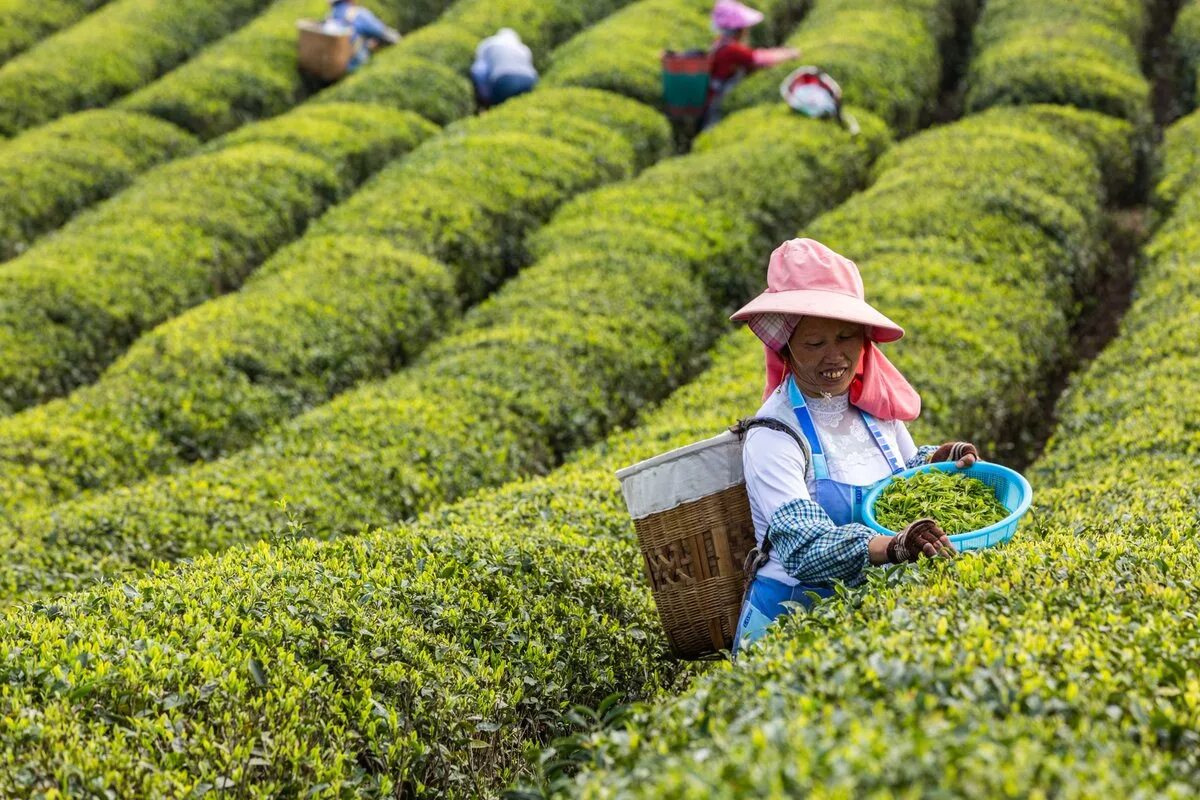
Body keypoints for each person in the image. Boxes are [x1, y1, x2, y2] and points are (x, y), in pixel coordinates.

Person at [730, 239, 981, 656]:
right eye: (814, 343)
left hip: (861, 621)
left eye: (847, 337)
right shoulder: (773, 436)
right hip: (790, 632)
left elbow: (901, 480)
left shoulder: (875, 413)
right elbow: (804, 547)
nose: (836, 357)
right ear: (788, 348)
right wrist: (893, 546)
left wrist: (939, 462)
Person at [703, 0, 799, 129]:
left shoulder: (721, 43)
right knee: (711, 128)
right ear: (739, 29)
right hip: (717, 101)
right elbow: (759, 58)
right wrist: (790, 54)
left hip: (713, 97)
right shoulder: (732, 49)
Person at [470, 28, 539, 110]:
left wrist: (484, 96)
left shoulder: (489, 44)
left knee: (497, 108)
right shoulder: (524, 48)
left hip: (504, 79)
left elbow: (479, 71)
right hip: (529, 80)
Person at [325, 0, 400, 73]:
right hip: (357, 66)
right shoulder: (357, 14)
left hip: (336, 71)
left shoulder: (328, 21)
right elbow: (384, 33)